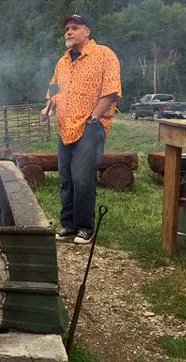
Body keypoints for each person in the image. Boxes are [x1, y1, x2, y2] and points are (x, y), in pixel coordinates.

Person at [41, 14, 121, 244]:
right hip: (64, 126)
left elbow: (111, 91)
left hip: (90, 125)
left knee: (83, 178)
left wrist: (94, 118)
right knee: (66, 177)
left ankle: (85, 227)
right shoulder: (62, 62)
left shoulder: (104, 55)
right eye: (67, 28)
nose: (68, 32)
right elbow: (54, 90)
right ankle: (68, 224)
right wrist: (48, 109)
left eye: (74, 28)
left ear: (87, 31)